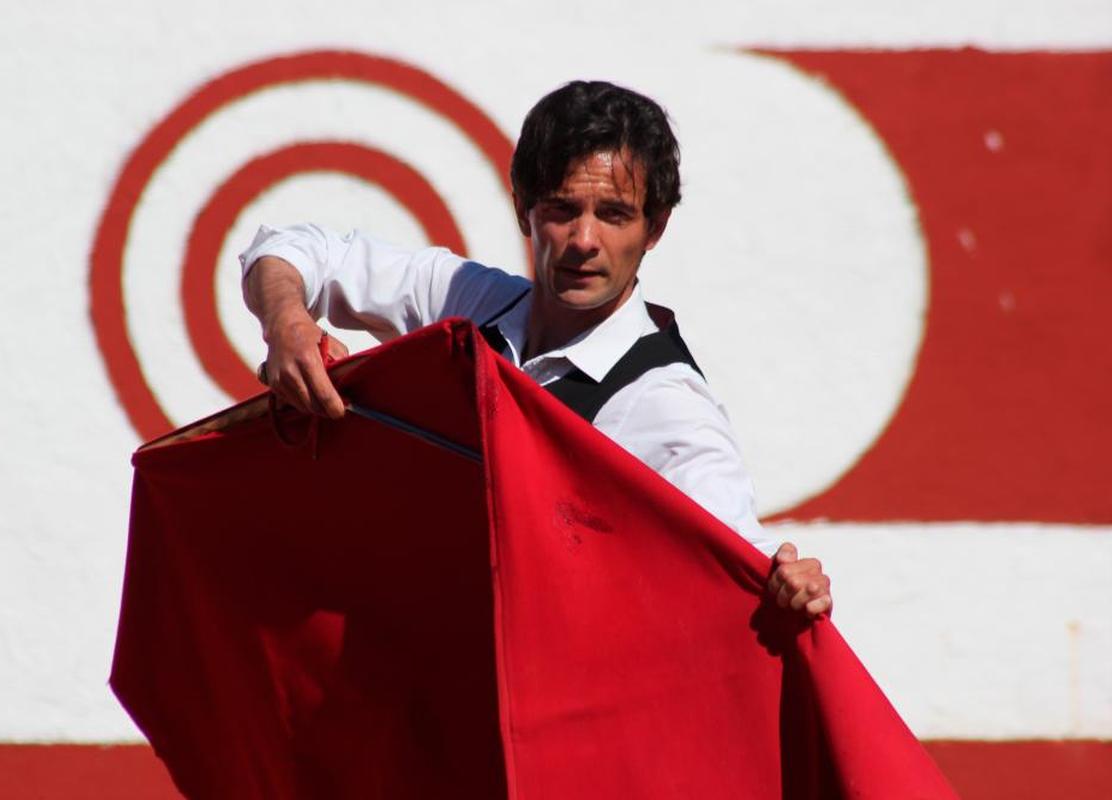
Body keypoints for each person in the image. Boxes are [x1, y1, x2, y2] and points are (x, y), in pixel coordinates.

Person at [240, 80, 831, 618]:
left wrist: (791, 586)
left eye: (615, 215)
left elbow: (739, 561)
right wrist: (288, 324)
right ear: (524, 205)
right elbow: (291, 249)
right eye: (562, 209)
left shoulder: (667, 402)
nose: (583, 241)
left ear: (655, 229)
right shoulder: (471, 301)